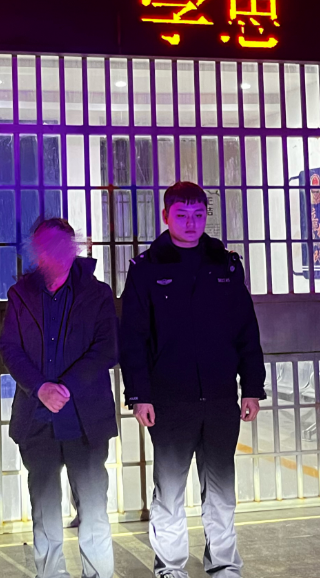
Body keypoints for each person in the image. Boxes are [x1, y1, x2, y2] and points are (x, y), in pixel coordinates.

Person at [119, 182, 266, 578]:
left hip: (219, 399)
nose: (191, 223)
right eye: (182, 215)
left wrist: (252, 387)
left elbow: (246, 331)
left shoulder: (225, 264)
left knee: (221, 491)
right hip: (170, 401)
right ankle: (170, 567)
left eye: (199, 215)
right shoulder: (147, 269)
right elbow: (132, 339)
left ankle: (224, 565)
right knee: (169, 492)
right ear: (166, 216)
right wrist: (139, 395)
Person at [0, 218, 118, 578]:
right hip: (37, 418)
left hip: (85, 417)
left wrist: (65, 387)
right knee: (45, 510)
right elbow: (10, 348)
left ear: (74, 248)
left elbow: (107, 348)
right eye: (45, 247)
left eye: (60, 245)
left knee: (93, 509)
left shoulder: (98, 293)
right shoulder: (21, 294)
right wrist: (40, 388)